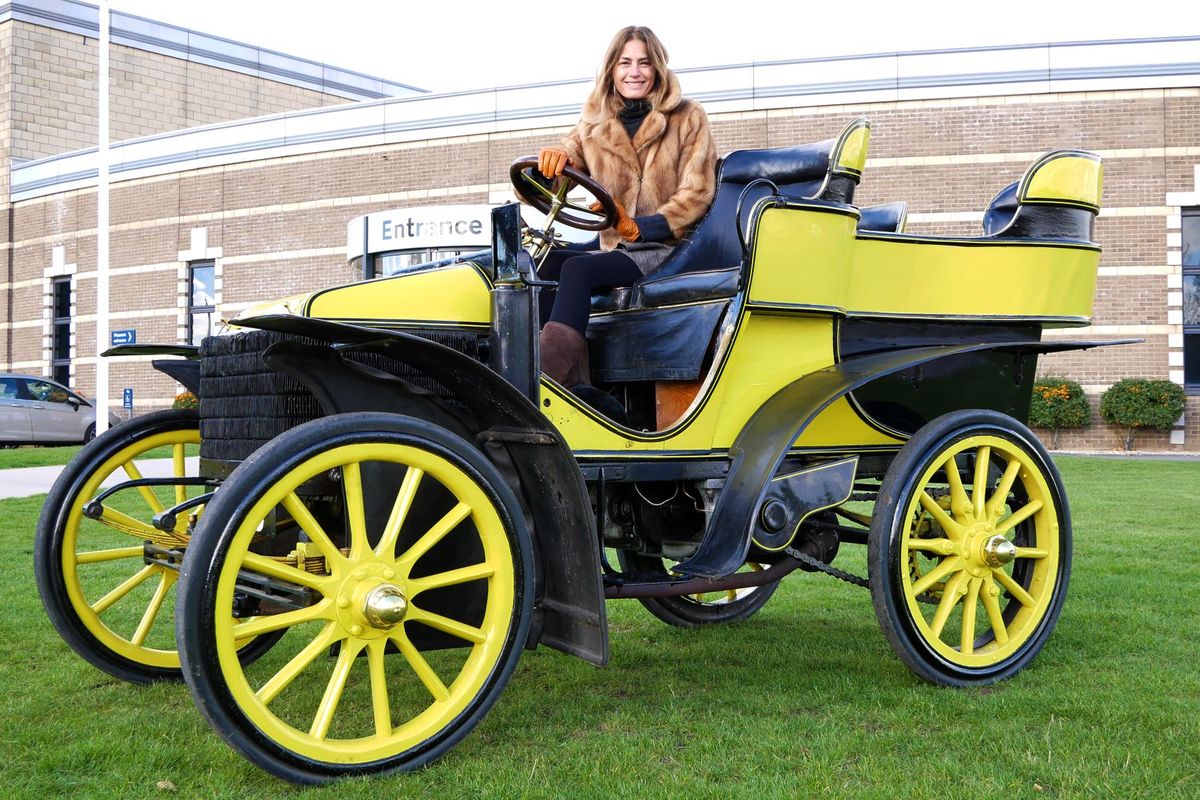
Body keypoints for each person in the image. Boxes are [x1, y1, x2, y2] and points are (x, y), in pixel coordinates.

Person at [535, 25, 717, 390]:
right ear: (611, 70)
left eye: (644, 63)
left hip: (664, 248)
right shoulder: (594, 123)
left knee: (577, 271)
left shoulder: (688, 117)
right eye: (625, 63)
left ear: (658, 69)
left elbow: (698, 192)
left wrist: (642, 227)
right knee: (538, 265)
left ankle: (546, 382)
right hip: (615, 246)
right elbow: (567, 161)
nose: (634, 72)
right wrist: (549, 169)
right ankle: (572, 379)